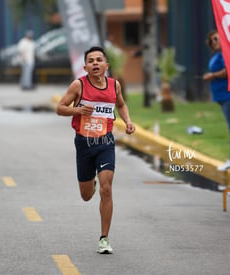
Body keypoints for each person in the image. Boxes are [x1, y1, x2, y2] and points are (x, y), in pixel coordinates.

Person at [56, 46, 136, 254]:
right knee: (86, 196)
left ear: (106, 65)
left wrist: (128, 121)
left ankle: (104, 238)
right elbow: (60, 108)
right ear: (85, 67)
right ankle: (90, 180)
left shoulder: (114, 85)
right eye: (90, 61)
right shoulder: (78, 86)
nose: (95, 64)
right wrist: (78, 110)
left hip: (105, 142)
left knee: (106, 188)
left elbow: (121, 105)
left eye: (99, 60)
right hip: (84, 144)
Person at [203, 30, 230, 171]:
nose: (214, 42)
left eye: (216, 39)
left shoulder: (226, 53)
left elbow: (229, 70)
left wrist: (212, 75)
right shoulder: (218, 55)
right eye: (212, 40)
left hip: (229, 95)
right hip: (222, 97)